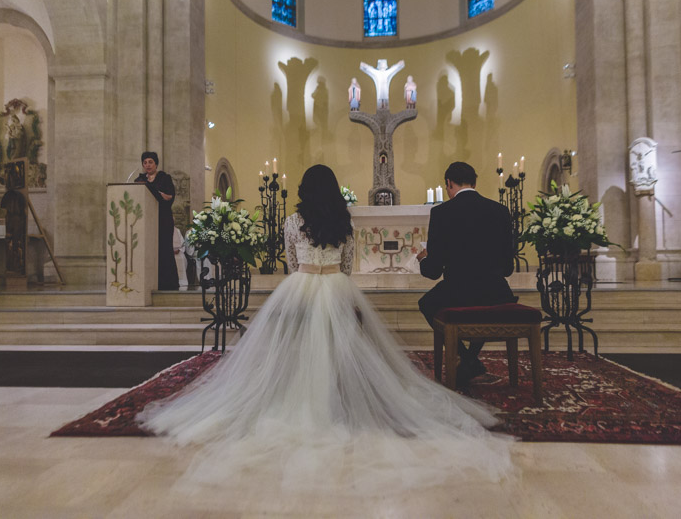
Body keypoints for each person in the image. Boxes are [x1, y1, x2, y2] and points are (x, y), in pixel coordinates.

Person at [137, 164, 512, 497]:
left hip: (300, 286)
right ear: (334, 191)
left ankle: (290, 396)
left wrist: (303, 281)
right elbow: (348, 266)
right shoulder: (343, 222)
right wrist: (335, 284)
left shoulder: (291, 222)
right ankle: (343, 395)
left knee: (291, 346)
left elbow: (289, 260)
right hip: (335, 286)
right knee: (343, 343)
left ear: (303, 190)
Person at [417, 161, 517, 388]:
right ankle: (470, 359)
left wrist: (423, 258)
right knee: (483, 302)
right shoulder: (500, 211)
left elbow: (433, 272)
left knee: (427, 303)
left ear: (449, 184)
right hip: (497, 293)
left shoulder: (441, 213)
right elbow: (508, 267)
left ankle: (466, 357)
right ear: (475, 182)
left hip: (457, 293)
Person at [135, 151, 179, 290]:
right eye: (145, 162)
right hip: (145, 221)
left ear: (156, 163)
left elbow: (169, 196)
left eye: (150, 162)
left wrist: (156, 192)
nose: (147, 165)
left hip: (163, 220)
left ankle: (167, 283)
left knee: (164, 250)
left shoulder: (164, 178)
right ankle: (148, 282)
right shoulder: (140, 181)